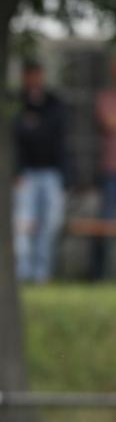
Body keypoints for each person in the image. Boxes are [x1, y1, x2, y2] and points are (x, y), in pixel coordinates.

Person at [13, 59, 67, 283]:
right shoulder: (17, 102)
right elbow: (18, 135)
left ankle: (41, 274)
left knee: (50, 224)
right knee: (24, 225)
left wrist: (34, 127)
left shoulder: (54, 102)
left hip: (51, 172)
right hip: (26, 173)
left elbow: (55, 135)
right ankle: (24, 273)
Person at [92, 55, 116, 280]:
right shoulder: (105, 98)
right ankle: (103, 276)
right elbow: (108, 122)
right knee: (106, 224)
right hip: (111, 171)